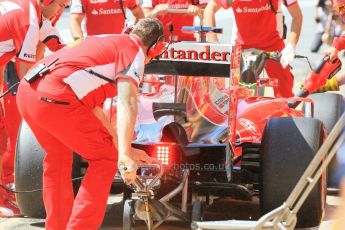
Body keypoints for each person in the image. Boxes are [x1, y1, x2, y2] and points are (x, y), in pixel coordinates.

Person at [16, 18, 163, 229]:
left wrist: (126, 148)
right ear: (155, 47)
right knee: (106, 158)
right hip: (55, 96)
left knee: (58, 157)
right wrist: (121, 154)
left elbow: (95, 110)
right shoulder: (134, 52)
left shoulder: (105, 41)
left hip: (28, 92)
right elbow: (127, 102)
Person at [0, 0, 68, 214]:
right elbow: (25, 74)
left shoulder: (34, 12)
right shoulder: (29, 21)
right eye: (60, 5)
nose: (62, 10)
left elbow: (59, 45)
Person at [203, 0, 303, 98]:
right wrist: (214, 44)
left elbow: (297, 15)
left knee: (285, 91)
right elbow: (209, 10)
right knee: (243, 95)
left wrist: (291, 45)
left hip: (273, 44)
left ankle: (285, 112)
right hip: (243, 46)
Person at [70, 0, 145, 39]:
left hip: (119, 45)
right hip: (93, 46)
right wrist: (81, 44)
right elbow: (75, 21)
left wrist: (133, 38)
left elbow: (139, 15)